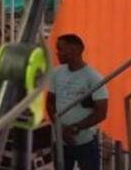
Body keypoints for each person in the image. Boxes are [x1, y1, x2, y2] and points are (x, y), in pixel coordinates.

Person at [46, 34, 108, 170]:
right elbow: (49, 103)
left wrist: (75, 128)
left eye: (60, 49)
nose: (57, 53)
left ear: (74, 50)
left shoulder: (93, 78)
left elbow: (101, 112)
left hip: (86, 142)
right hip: (60, 141)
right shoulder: (56, 73)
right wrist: (60, 128)